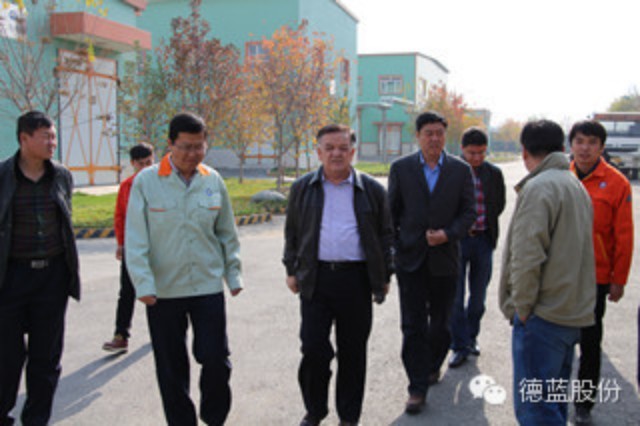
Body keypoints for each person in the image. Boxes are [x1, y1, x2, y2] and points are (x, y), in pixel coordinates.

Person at [125, 112, 243, 426]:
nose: (193, 154)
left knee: (216, 358)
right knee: (171, 367)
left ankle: (214, 418)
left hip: (207, 285)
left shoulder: (212, 180)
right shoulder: (146, 182)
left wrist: (233, 273)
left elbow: (226, 232)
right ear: (170, 144)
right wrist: (143, 283)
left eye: (199, 146)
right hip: (163, 291)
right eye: (186, 147)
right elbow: (136, 238)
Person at [283, 124, 393, 426]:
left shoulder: (372, 190)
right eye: (329, 148)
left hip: (356, 280)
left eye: (343, 148)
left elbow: (386, 235)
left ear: (352, 152)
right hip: (316, 279)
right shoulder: (302, 188)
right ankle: (315, 410)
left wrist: (385, 274)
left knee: (353, 352)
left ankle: (349, 416)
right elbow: (292, 233)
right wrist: (291, 269)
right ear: (318, 152)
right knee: (313, 349)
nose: (336, 154)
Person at [499, 119, 596, 425]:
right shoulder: (574, 184)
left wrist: (522, 308)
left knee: (537, 410)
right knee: (552, 405)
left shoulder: (539, 187)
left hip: (543, 316)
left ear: (524, 151)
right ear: (562, 147)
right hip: (569, 313)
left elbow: (527, 258)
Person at [388, 111, 476, 414]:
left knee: (440, 325)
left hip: (445, 260)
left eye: (439, 133)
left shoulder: (460, 171)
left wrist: (448, 234)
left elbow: (469, 213)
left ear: (445, 136)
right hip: (410, 260)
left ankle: (432, 364)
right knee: (412, 325)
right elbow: (391, 214)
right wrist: (395, 249)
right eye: (428, 133)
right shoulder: (401, 169)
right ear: (418, 136)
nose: (434, 138)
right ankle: (416, 387)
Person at [0, 111, 80, 425]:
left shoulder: (61, 175)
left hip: (52, 278)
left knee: (46, 358)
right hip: (11, 277)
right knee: (7, 357)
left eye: (54, 136)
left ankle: (37, 419)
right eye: (46, 136)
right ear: (24, 138)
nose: (52, 143)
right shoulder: (3, 176)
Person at [568, 120, 634, 424]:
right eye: (579, 141)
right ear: (571, 144)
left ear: (602, 147)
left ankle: (584, 404)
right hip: (560, 277)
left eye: (592, 143)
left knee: (590, 344)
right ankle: (552, 401)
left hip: (595, 278)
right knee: (557, 343)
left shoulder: (616, 183)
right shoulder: (559, 177)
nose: (585, 148)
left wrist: (618, 279)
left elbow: (624, 236)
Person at [449, 127, 506, 368]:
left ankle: (471, 337)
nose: (477, 158)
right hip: (457, 242)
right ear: (462, 149)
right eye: (472, 153)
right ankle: (458, 345)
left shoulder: (493, 173)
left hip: (483, 240)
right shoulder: (451, 171)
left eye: (482, 153)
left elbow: (499, 204)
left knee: (478, 298)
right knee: (455, 298)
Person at [102, 142, 154, 353]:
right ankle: (121, 335)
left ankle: (162, 332)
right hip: (133, 248)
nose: (145, 167)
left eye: (149, 162)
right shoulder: (127, 186)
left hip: (158, 248)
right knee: (127, 292)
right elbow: (120, 216)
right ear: (132, 163)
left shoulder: (162, 184)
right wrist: (121, 243)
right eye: (141, 164)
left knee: (158, 292)